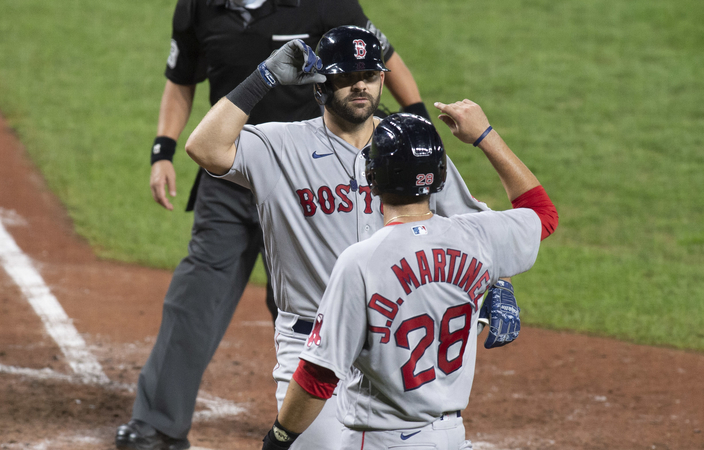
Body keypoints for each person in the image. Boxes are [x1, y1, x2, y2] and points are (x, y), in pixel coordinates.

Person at [185, 26, 523, 449]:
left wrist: (501, 283)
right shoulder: (281, 145)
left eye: (370, 75)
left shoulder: (406, 148)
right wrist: (264, 78)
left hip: (392, 348)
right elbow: (204, 147)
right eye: (346, 76)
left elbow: (477, 228)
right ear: (320, 84)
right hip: (311, 344)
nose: (360, 85)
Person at [117, 1, 431, 449]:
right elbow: (181, 79)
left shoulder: (327, 3)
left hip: (310, 174)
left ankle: (318, 416)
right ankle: (158, 423)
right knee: (196, 295)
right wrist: (162, 150)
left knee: (312, 299)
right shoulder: (199, 6)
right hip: (232, 170)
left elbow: (383, 61)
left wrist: (417, 130)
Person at [257, 108, 559, 450]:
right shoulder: (479, 236)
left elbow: (318, 376)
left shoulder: (361, 261)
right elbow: (543, 212)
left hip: (382, 441)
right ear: (440, 176)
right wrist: (484, 135)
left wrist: (279, 438)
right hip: (450, 436)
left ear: (371, 177)